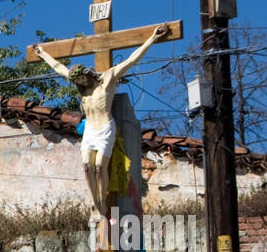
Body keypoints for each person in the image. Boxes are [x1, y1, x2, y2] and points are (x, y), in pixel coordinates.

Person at [34, 24, 169, 230]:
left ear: (88, 74)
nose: (80, 82)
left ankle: (103, 205)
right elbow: (60, 68)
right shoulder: (83, 91)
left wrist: (152, 38)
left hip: (105, 128)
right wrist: (43, 54)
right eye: (77, 80)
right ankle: (96, 205)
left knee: (98, 167)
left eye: (81, 78)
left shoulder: (107, 79)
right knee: (86, 166)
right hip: (90, 130)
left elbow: (132, 59)